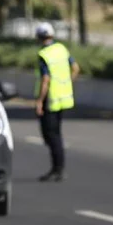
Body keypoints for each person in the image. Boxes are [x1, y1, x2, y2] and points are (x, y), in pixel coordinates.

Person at [34, 22, 80, 182]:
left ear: (39, 37)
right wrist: (67, 84)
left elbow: (45, 79)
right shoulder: (61, 49)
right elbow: (76, 68)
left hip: (51, 99)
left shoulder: (44, 54)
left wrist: (39, 101)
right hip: (63, 98)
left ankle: (57, 169)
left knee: (51, 135)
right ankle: (57, 168)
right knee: (56, 134)